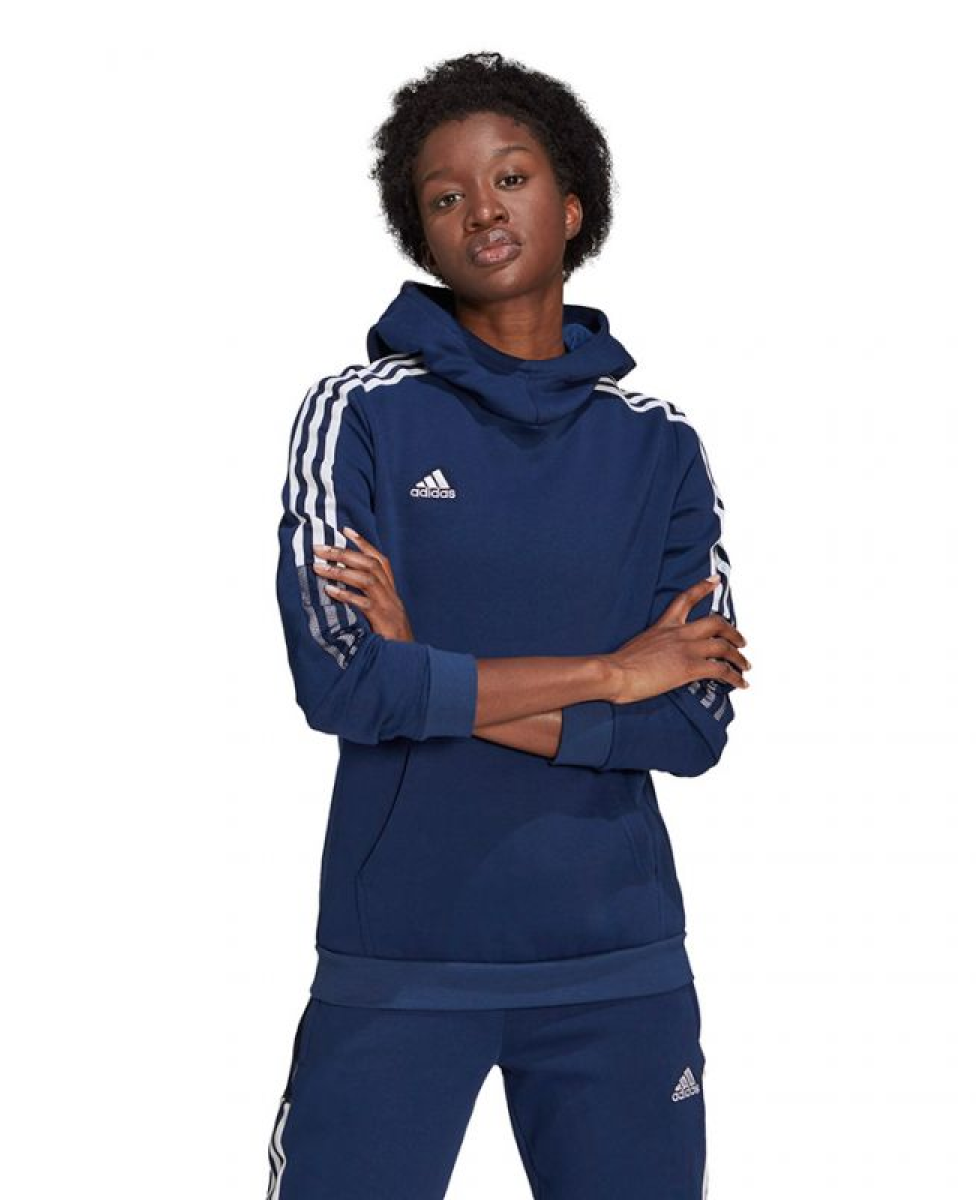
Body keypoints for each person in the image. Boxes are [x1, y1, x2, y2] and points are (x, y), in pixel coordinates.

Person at [264, 50, 750, 1200]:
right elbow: (344, 685)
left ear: (572, 205)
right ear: (422, 235)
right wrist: (611, 674)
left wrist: (432, 679)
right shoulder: (357, 415)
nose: (481, 208)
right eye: (445, 196)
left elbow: (694, 722)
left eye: (511, 178)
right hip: (401, 961)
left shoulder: (658, 442)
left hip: (618, 965)